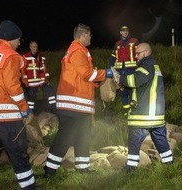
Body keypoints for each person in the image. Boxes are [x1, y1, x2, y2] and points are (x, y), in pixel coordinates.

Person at [43, 23, 113, 177]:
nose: (91, 37)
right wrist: (106, 73)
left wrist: (97, 81)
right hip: (73, 104)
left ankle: (83, 168)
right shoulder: (77, 51)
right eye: (89, 35)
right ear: (83, 35)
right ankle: (49, 170)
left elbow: (83, 77)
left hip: (79, 105)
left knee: (83, 136)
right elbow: (87, 74)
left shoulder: (78, 50)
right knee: (65, 137)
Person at [0, 20, 37, 190]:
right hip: (8, 116)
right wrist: (24, 108)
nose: (19, 43)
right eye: (19, 40)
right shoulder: (11, 56)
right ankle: (29, 186)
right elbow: (13, 87)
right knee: (18, 152)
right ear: (11, 39)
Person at [112, 42, 173, 172]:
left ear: (146, 53)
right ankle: (169, 164)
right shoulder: (154, 66)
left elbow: (136, 80)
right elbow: (143, 86)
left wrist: (120, 79)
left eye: (138, 54)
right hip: (157, 113)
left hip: (144, 113)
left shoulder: (146, 65)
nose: (136, 57)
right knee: (160, 139)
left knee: (134, 140)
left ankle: (130, 168)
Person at [110, 26, 139, 115]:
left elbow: (139, 52)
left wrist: (140, 65)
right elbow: (113, 56)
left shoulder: (134, 41)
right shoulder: (117, 43)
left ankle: (133, 111)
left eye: (126, 31)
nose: (125, 32)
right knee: (122, 92)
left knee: (132, 91)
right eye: (123, 31)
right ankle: (126, 112)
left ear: (128, 32)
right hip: (120, 72)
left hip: (131, 70)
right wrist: (112, 67)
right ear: (120, 32)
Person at [22, 41, 56, 114]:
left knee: (51, 94)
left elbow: (45, 69)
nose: (35, 48)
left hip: (42, 81)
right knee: (31, 99)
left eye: (36, 47)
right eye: (34, 47)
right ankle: (31, 114)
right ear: (30, 47)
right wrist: (25, 81)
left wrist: (47, 79)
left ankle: (53, 110)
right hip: (31, 82)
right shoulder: (25, 57)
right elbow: (23, 70)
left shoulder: (41, 57)